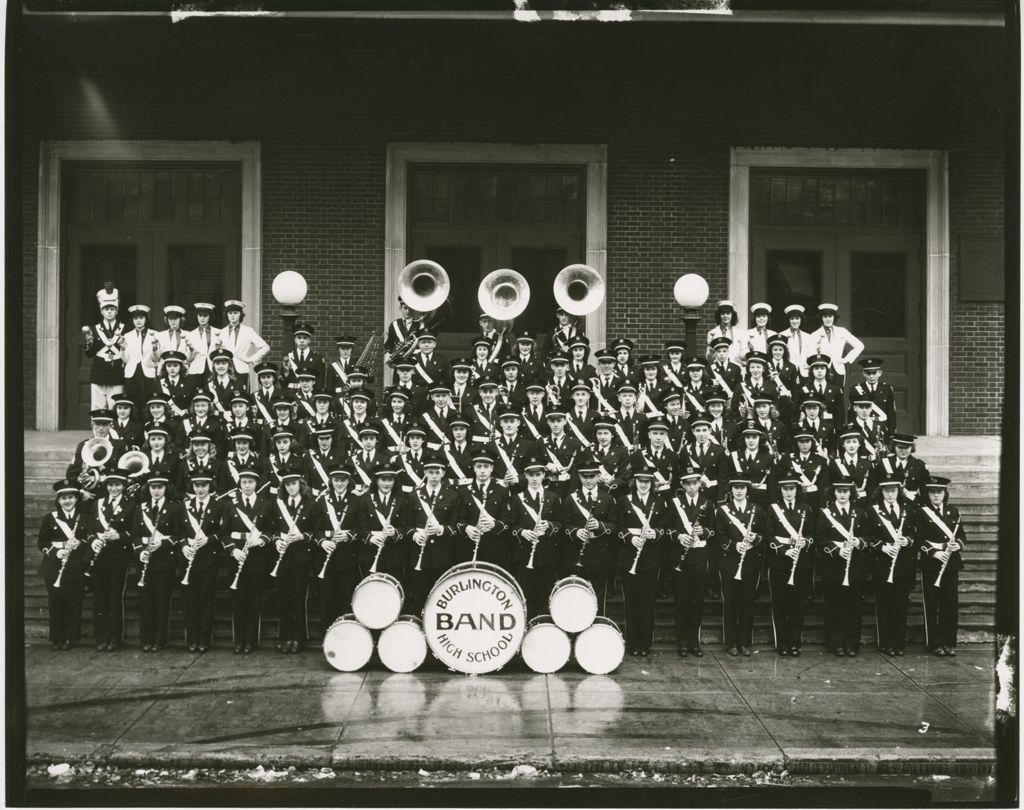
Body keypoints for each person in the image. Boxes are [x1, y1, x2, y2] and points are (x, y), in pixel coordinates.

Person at [615, 469, 667, 658]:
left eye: (647, 481)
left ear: (652, 482)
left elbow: (665, 526)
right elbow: (617, 527)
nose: (643, 484)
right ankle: (632, 642)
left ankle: (645, 643)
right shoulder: (624, 501)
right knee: (631, 602)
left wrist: (656, 533)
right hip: (629, 557)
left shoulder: (659, 501)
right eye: (640, 480)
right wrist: (629, 538)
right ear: (634, 481)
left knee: (647, 602)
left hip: (651, 558)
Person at [132, 473, 184, 652]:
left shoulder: (175, 508)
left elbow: (178, 535)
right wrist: (140, 551)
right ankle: (146, 639)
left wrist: (162, 543)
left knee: (162, 603)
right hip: (145, 560)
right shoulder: (140, 508)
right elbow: (135, 534)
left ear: (165, 489)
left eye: (159, 487)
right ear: (148, 489)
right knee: (146, 602)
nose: (156, 491)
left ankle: (160, 641)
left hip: (164, 560)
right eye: (153, 487)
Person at [817, 477, 869, 656]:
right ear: (834, 493)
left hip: (854, 567)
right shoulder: (825, 513)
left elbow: (867, 538)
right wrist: (836, 550)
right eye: (839, 491)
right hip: (832, 566)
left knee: (853, 606)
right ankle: (836, 642)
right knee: (833, 606)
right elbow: (820, 540)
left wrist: (858, 542)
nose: (842, 494)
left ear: (851, 493)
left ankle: (852, 642)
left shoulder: (860, 513)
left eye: (845, 491)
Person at [223, 468, 273, 654]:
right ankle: (239, 640)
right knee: (238, 601)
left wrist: (261, 540)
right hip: (237, 557)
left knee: (254, 601)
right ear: (240, 484)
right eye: (244, 482)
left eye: (250, 482)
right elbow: (223, 533)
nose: (247, 485)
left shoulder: (266, 504)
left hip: (257, 558)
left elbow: (271, 530)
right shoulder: (229, 505)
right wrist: (233, 550)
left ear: (256, 484)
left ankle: (251, 640)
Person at [667, 467, 716, 657]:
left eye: (695, 483)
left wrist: (704, 531)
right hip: (679, 555)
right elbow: (667, 527)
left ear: (699, 484)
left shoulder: (708, 503)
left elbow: (714, 530)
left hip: (699, 557)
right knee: (681, 600)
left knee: (697, 600)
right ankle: (682, 641)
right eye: (688, 483)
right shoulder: (674, 503)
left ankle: (694, 640)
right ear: (683, 485)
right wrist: (679, 536)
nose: (692, 486)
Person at [764, 476, 816, 656]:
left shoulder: (806, 508)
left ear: (796, 490)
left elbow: (812, 535)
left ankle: (795, 643)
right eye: (785, 489)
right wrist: (784, 550)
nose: (788, 492)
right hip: (780, 562)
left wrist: (805, 542)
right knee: (779, 604)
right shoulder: (773, 509)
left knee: (797, 605)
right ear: (780, 490)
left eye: (791, 489)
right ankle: (782, 643)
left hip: (800, 562)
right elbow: (768, 536)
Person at [867, 476, 918, 657]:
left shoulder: (908, 509)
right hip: (882, 564)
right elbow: (868, 536)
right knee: (884, 605)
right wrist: (882, 546)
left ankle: (899, 643)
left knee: (900, 605)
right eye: (887, 491)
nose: (890, 494)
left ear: (898, 491)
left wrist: (908, 540)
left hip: (903, 564)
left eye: (893, 490)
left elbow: (915, 534)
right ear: (881, 492)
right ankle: (885, 642)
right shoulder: (873, 511)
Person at [715, 477, 766, 656]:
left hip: (751, 562)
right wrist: (733, 545)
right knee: (730, 603)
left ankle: (744, 642)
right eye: (736, 487)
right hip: (729, 562)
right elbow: (718, 535)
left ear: (747, 489)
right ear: (731, 490)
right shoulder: (722, 511)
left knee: (747, 603)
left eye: (742, 487)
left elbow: (764, 534)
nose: (739, 491)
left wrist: (755, 539)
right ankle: (731, 643)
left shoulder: (757, 510)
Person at [558, 457, 617, 613]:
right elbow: (564, 524)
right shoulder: (571, 498)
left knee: (597, 599)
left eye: (592, 476)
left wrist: (600, 526)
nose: (589, 480)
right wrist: (576, 532)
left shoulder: (608, 498)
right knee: (576, 598)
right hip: (576, 555)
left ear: (598, 476)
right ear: (579, 476)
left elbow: (615, 525)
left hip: (599, 556)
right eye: (585, 476)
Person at [917, 475, 967, 656]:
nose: (936, 495)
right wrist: (933, 552)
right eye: (932, 492)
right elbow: (919, 539)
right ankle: (934, 643)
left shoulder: (953, 511)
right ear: (928, 494)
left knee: (950, 604)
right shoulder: (921, 512)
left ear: (945, 493)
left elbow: (962, 536)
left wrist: (957, 545)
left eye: (939, 492)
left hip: (951, 563)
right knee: (931, 604)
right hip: (931, 562)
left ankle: (948, 642)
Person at [86, 471, 136, 652]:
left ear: (123, 486)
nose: (114, 488)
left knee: (115, 598)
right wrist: (93, 540)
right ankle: (101, 637)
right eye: (110, 485)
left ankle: (115, 638)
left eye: (117, 485)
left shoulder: (131, 505)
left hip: (119, 557)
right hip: (99, 557)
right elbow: (89, 529)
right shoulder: (97, 503)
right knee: (99, 598)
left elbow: (135, 532)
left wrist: (119, 536)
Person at [38, 479, 90, 650]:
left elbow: (89, 540)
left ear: (76, 498)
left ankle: (70, 638)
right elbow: (42, 542)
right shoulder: (50, 518)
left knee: (75, 603)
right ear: (58, 500)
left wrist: (80, 544)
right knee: (56, 603)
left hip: (76, 566)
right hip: (53, 567)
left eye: (70, 497)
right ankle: (57, 638)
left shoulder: (84, 518)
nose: (67, 501)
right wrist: (55, 552)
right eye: (63, 498)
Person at [404, 456, 460, 614]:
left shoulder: (452, 495)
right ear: (425, 473)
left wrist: (441, 530)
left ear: (443, 473)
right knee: (420, 595)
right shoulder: (414, 496)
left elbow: (456, 527)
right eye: (431, 472)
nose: (434, 476)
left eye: (437, 472)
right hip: (420, 555)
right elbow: (407, 525)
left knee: (443, 597)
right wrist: (415, 535)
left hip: (442, 556)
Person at [269, 468, 317, 653]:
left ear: (300, 484)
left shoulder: (310, 505)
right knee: (283, 599)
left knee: (299, 599)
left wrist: (302, 537)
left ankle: (298, 638)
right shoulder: (278, 505)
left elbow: (315, 531)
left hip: (301, 558)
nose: (291, 487)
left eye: (294, 483)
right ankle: (284, 637)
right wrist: (277, 541)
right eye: (287, 484)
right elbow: (271, 530)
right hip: (282, 559)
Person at [509, 459, 563, 619]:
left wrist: (549, 526)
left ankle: (543, 631)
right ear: (525, 476)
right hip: (524, 555)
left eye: (538, 475)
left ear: (543, 475)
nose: (534, 479)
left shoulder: (552, 498)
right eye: (531, 475)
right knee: (526, 596)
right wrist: (522, 532)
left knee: (545, 596)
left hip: (546, 555)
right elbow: (510, 525)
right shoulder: (517, 499)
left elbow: (561, 523)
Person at [179, 472, 224, 653]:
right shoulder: (184, 506)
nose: (200, 489)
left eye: (203, 485)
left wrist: (209, 539)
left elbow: (223, 532)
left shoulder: (218, 505)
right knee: (190, 602)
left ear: (209, 486)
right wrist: (183, 546)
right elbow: (179, 532)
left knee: (206, 602)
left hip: (208, 560)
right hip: (188, 559)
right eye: (196, 485)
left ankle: (204, 639)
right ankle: (192, 639)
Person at [314, 466, 360, 629]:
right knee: (328, 596)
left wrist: (349, 536)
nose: (339, 484)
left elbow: (361, 527)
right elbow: (315, 529)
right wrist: (322, 541)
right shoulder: (322, 500)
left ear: (348, 481)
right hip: (327, 554)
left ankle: (345, 630)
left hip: (347, 556)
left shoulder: (356, 500)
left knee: (346, 596)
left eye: (343, 480)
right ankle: (329, 632)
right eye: (336, 480)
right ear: (331, 482)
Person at [456, 450, 512, 567]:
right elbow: (458, 520)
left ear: (492, 468)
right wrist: (467, 529)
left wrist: (494, 524)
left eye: (486, 466)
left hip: (494, 550)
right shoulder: (463, 491)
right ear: (474, 468)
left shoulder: (502, 491)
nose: (482, 470)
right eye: (479, 466)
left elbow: (508, 521)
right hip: (468, 548)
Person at [356, 465, 411, 580]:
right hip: (370, 553)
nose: (386, 484)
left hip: (394, 555)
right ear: (376, 481)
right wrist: (370, 538)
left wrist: (395, 532)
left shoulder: (401, 500)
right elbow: (360, 527)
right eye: (383, 480)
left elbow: (404, 526)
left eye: (390, 480)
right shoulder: (365, 500)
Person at [82, 285, 127, 409]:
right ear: (101, 311)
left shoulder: (125, 328)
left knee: (115, 406)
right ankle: (97, 429)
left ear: (117, 311)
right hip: (99, 372)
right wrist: (89, 344)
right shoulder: (94, 329)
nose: (109, 312)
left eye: (112, 309)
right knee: (98, 407)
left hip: (116, 372)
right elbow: (89, 354)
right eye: (106, 309)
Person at [807, 303, 864, 391]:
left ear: (834, 317)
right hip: (822, 370)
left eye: (830, 316)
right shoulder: (814, 335)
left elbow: (859, 345)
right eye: (825, 316)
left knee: (838, 395)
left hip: (838, 369)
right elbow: (811, 354)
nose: (828, 319)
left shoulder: (842, 331)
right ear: (821, 318)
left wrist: (846, 359)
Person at [218, 300, 271, 384]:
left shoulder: (248, 331)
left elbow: (265, 347)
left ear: (240, 314)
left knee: (241, 395)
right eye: (230, 313)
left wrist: (251, 359)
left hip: (241, 369)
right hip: (224, 370)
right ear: (227, 315)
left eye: (235, 313)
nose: (232, 316)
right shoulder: (221, 332)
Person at [869, 433, 930, 503]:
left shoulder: (919, 465)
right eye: (900, 447)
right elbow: (874, 486)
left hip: (911, 504)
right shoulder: (884, 463)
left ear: (912, 448)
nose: (903, 451)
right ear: (894, 447)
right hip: (888, 504)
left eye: (907, 448)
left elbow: (925, 491)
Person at [121, 303, 159, 407]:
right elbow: (125, 359)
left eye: (141, 318)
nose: (138, 320)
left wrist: (155, 349)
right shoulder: (127, 336)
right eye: (135, 318)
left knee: (147, 401)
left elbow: (157, 359)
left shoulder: (155, 335)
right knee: (132, 402)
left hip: (148, 372)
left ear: (146, 319)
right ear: (132, 320)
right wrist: (123, 348)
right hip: (131, 373)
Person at [847, 357, 897, 428]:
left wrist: (891, 433)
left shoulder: (887, 389)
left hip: (882, 427)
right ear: (864, 373)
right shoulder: (855, 389)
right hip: (863, 428)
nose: (871, 376)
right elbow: (852, 413)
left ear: (880, 373)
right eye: (868, 373)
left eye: (874, 373)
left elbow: (891, 413)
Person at [152, 305, 195, 378]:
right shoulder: (159, 335)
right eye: (170, 319)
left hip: (182, 371)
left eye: (176, 318)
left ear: (181, 319)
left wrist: (191, 349)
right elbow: (156, 359)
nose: (173, 321)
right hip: (164, 371)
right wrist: (154, 349)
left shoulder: (188, 335)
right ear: (167, 320)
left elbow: (189, 359)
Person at [282, 322, 326, 392]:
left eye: (305, 338)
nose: (302, 341)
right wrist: (286, 373)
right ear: (295, 340)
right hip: (291, 394)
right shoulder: (288, 357)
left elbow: (320, 382)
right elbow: (283, 383)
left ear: (309, 340)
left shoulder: (317, 358)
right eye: (299, 338)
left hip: (310, 395)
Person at [185, 302, 220, 382]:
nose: (202, 318)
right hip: (196, 369)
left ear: (210, 316)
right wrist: (190, 350)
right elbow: (188, 359)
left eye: (205, 316)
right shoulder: (190, 335)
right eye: (200, 315)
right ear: (197, 316)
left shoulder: (218, 332)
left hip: (213, 369)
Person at [706, 300, 745, 365]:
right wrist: (711, 350)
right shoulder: (712, 333)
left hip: (736, 367)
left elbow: (743, 354)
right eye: (723, 313)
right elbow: (708, 358)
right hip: (718, 368)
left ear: (732, 315)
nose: (725, 316)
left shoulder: (740, 333)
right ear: (719, 315)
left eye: (728, 313)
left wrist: (741, 360)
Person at [781, 304, 812, 378]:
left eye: (797, 318)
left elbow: (811, 353)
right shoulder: (782, 335)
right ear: (788, 320)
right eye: (792, 318)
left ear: (801, 319)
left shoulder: (808, 336)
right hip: (788, 373)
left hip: (804, 372)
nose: (795, 321)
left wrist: (809, 364)